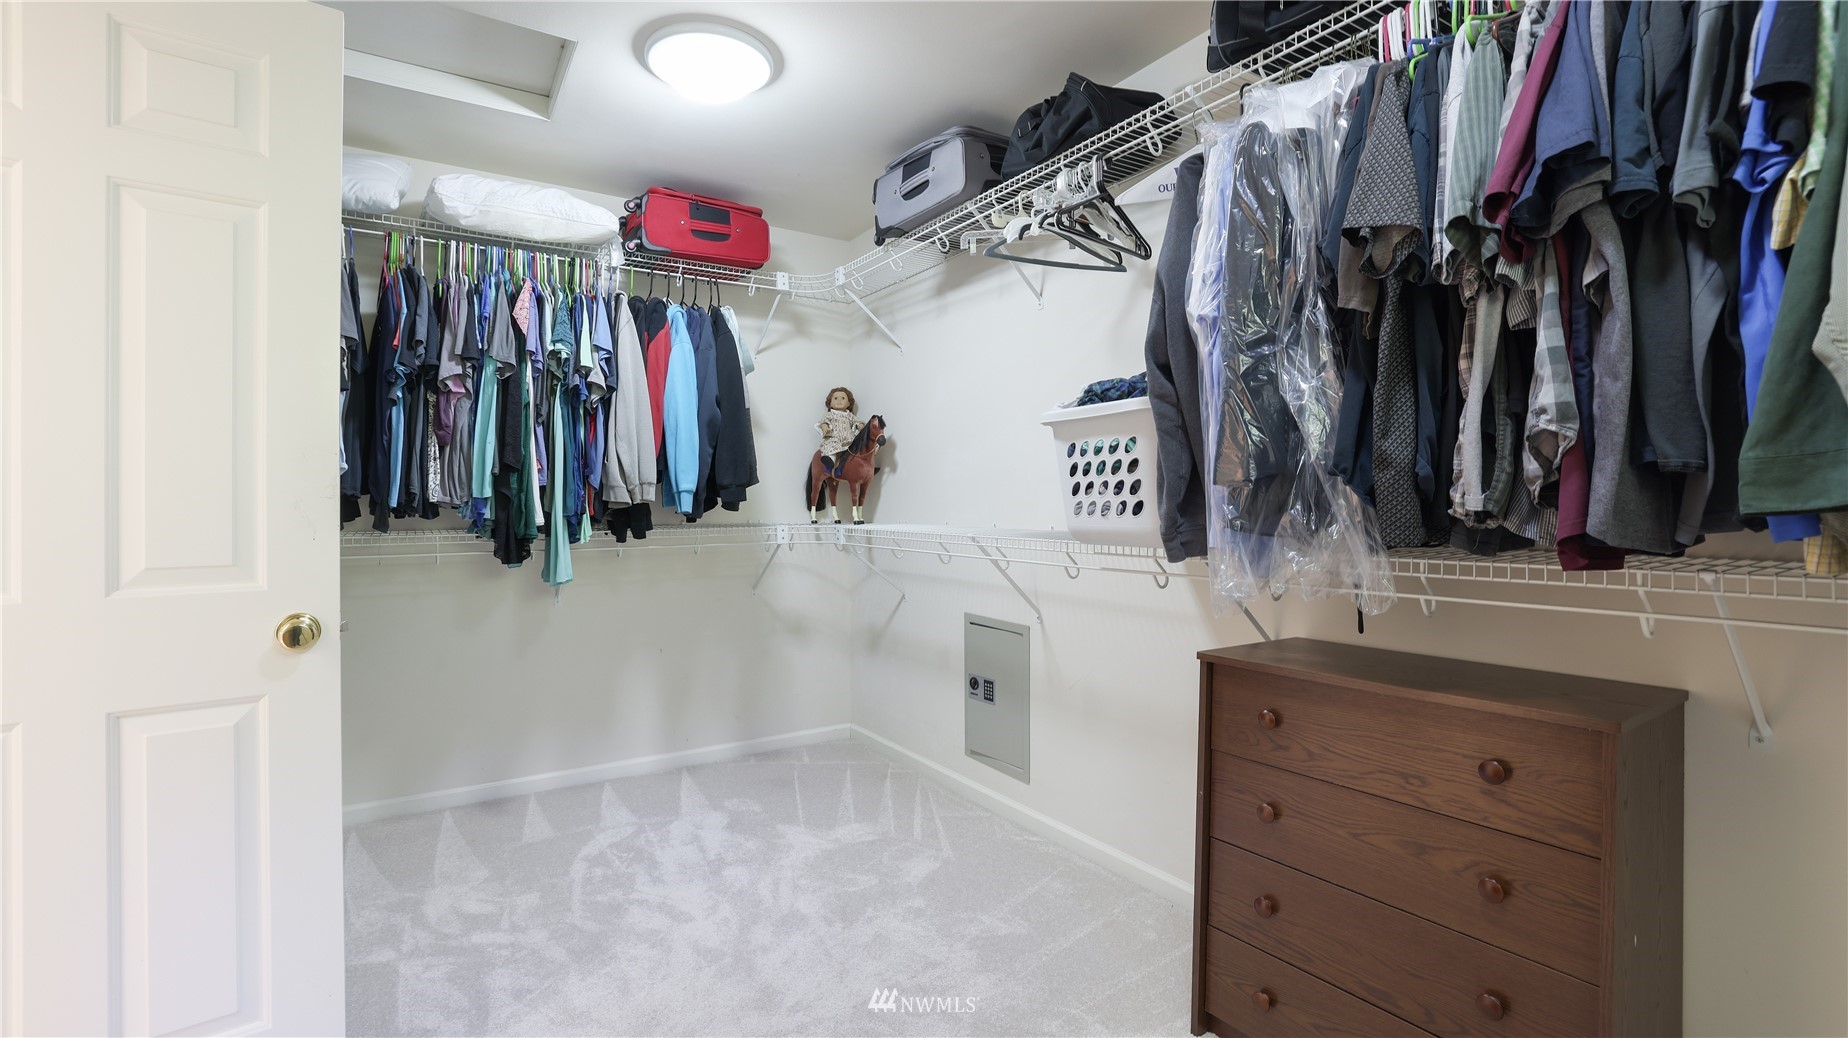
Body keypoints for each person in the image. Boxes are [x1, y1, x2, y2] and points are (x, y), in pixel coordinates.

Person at [816, 386, 864, 474]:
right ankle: (830, 460)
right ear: (830, 403)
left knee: (857, 449)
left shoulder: (850, 416)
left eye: (843, 398)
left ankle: (861, 467)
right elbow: (824, 422)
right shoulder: (830, 414)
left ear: (849, 403)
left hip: (849, 439)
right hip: (834, 438)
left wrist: (860, 426)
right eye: (835, 398)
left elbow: (857, 422)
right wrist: (825, 428)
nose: (839, 400)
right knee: (831, 448)